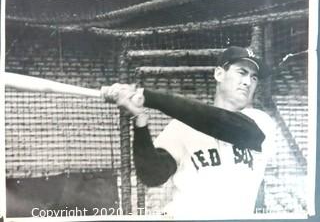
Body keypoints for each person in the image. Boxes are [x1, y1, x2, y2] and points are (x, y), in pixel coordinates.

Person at [101, 46, 276, 219]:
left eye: (254, 77)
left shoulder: (260, 123)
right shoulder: (181, 126)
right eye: (242, 72)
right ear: (219, 74)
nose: (248, 82)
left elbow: (219, 121)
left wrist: (149, 97)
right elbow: (153, 175)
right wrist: (139, 120)